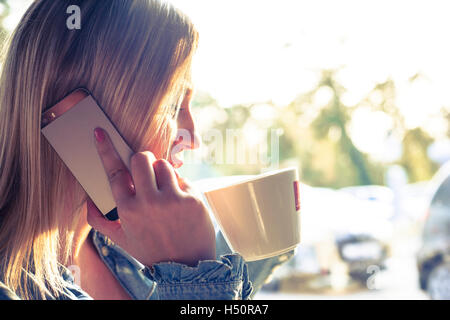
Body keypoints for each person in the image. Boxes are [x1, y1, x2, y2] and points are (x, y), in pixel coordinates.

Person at [0, 0, 294, 300]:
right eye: (172, 105)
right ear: (76, 115)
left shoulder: (124, 249)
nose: (192, 139)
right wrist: (191, 275)